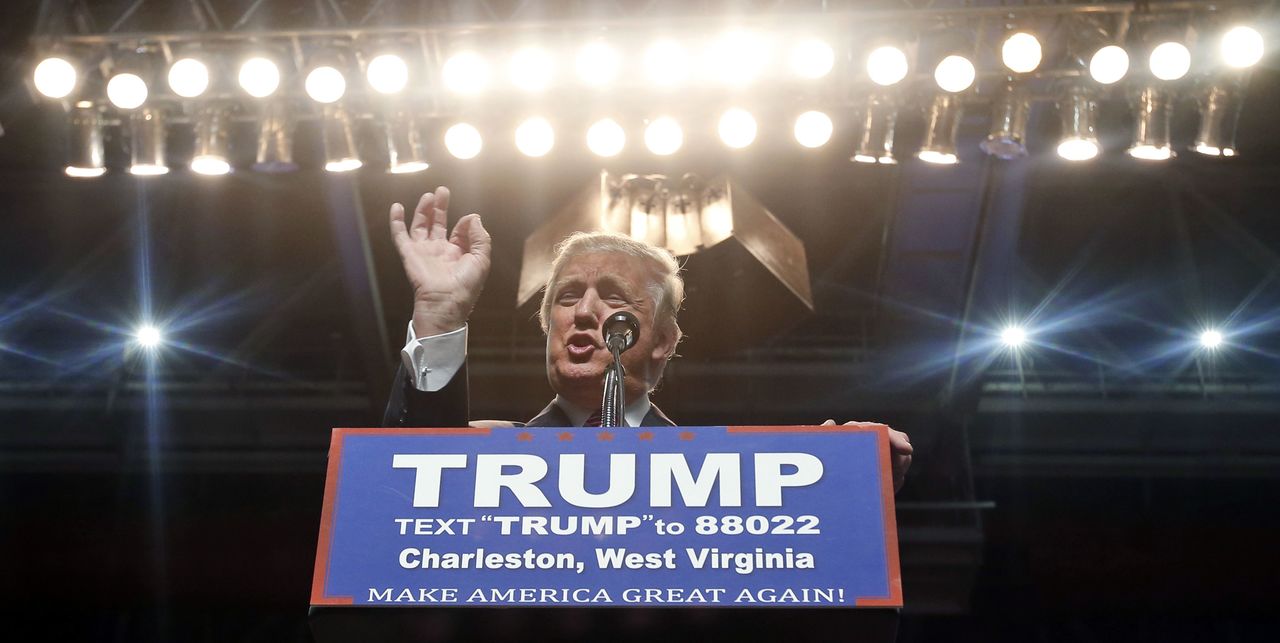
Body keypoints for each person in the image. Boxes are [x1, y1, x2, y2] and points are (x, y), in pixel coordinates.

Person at [382, 186, 913, 491]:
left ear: (662, 340)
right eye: (567, 297)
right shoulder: (485, 456)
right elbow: (401, 480)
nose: (586, 311)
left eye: (613, 297)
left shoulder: (731, 481)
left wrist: (846, 479)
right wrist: (439, 311)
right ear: (549, 329)